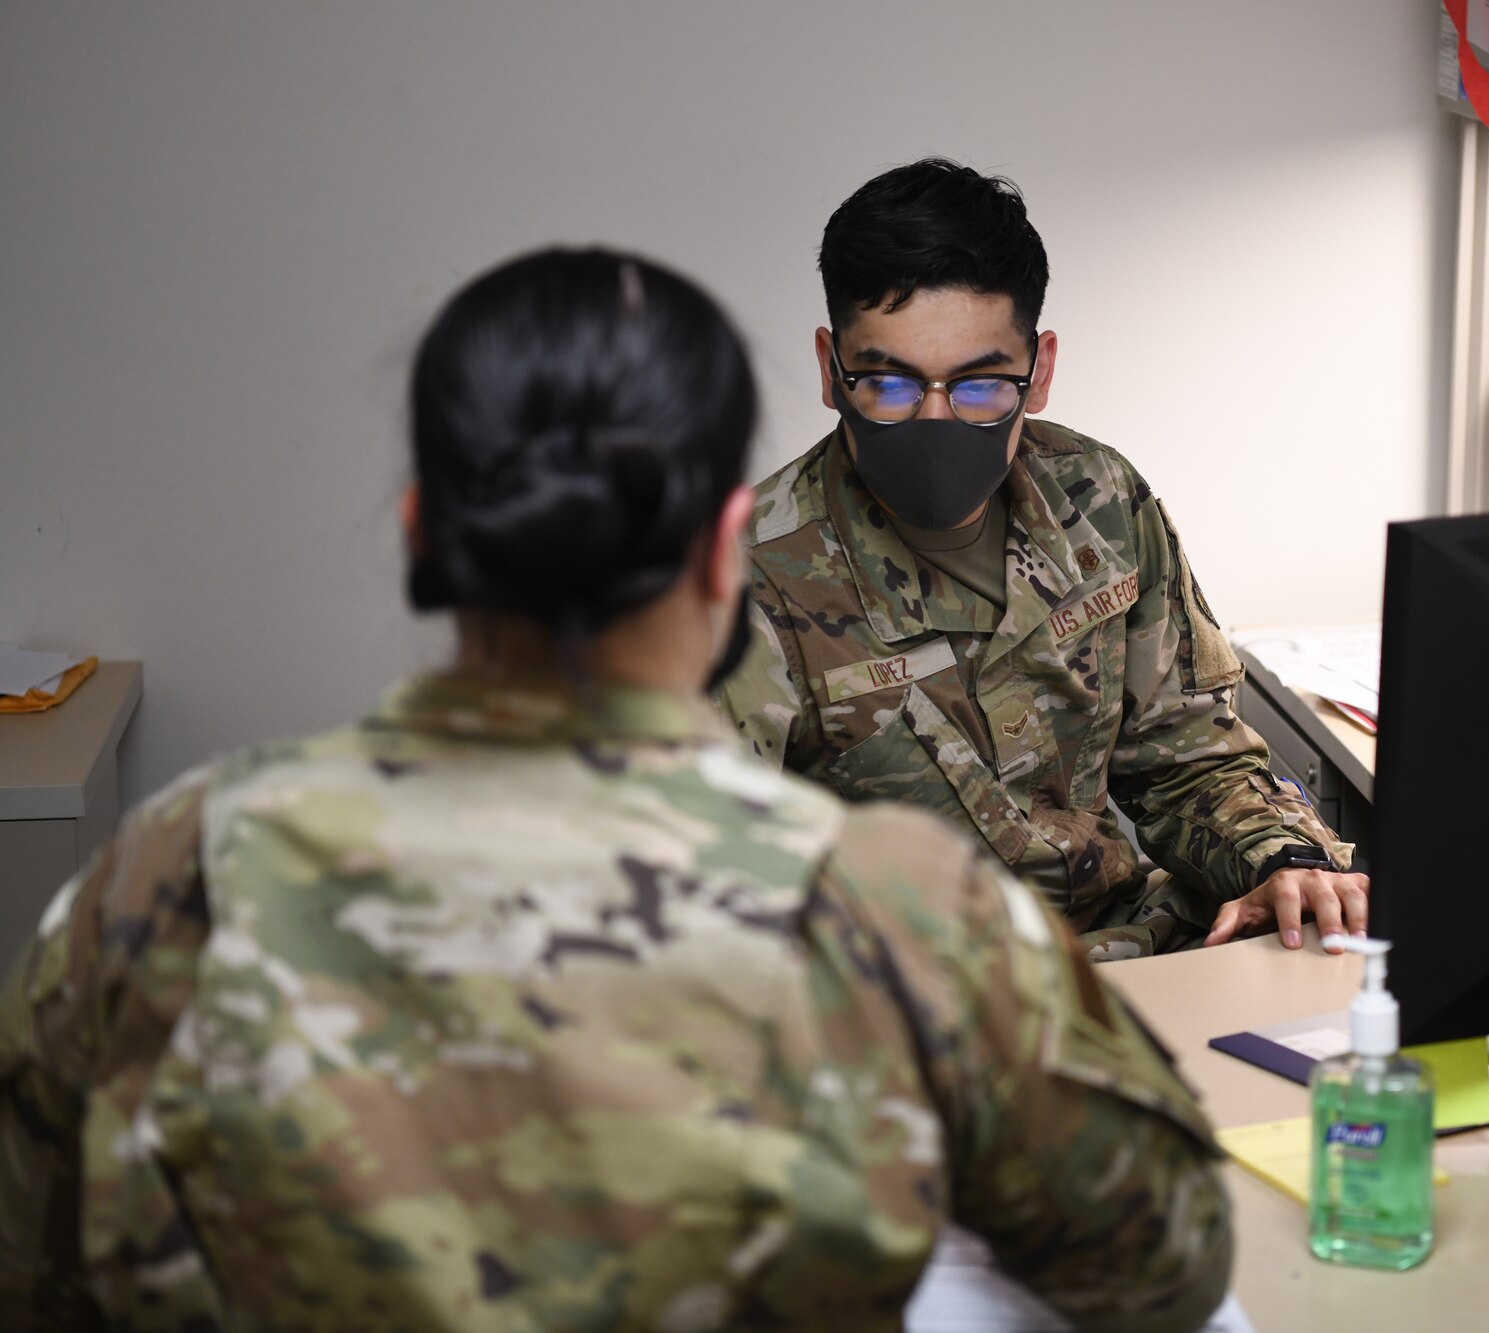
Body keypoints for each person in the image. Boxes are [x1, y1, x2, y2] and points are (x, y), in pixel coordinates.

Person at [0, 248, 1232, 1330]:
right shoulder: (893, 911)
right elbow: (1164, 1267)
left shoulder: (165, 875)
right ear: (720, 549)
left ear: (422, 532)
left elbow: (32, 1277)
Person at [715, 159, 1369, 961]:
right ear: (830, 368)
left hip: (1125, 960)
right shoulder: (751, 577)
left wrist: (1287, 858)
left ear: (1041, 369)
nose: (934, 421)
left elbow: (1187, 762)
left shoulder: (1098, 500)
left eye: (981, 386)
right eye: (887, 384)